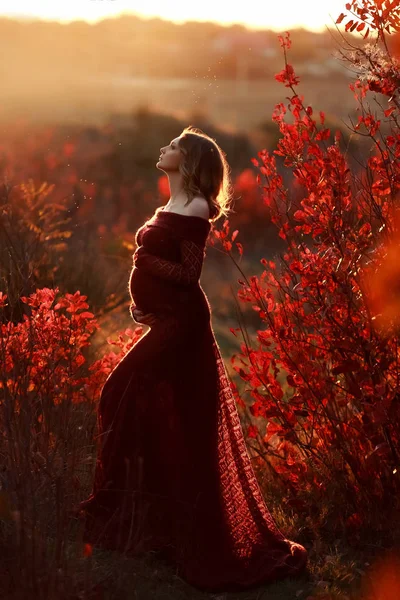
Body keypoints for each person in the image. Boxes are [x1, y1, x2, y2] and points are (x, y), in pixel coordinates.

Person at [77, 126, 308, 593]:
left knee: (120, 391)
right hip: (168, 322)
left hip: (185, 327)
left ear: (188, 162)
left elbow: (187, 272)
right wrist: (145, 308)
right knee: (155, 410)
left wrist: (142, 265)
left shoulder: (198, 207)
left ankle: (145, 520)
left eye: (173, 147)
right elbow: (166, 275)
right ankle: (148, 522)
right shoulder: (172, 204)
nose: (163, 149)